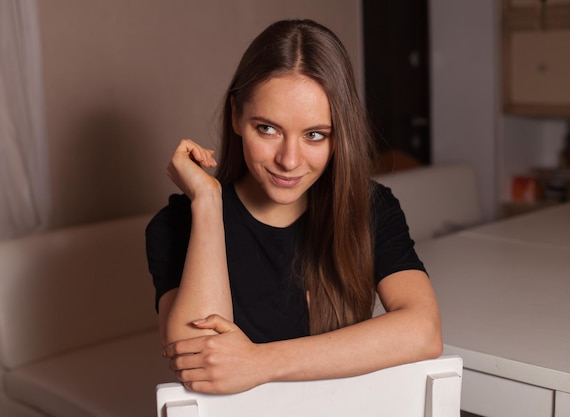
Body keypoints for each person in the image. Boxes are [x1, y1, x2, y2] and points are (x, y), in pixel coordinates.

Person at [145, 18, 442, 395]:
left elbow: (424, 330)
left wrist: (259, 362)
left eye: (315, 135)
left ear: (340, 137)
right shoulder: (177, 225)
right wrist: (206, 203)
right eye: (267, 129)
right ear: (236, 116)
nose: (289, 160)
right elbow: (199, 364)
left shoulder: (370, 208)